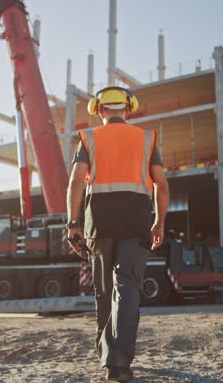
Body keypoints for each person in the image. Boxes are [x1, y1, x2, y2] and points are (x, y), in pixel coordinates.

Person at [66, 86, 169, 382]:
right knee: (127, 289)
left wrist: (72, 224)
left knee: (103, 291)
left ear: (99, 111)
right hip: (136, 222)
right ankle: (118, 364)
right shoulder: (146, 138)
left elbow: (75, 182)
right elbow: (161, 185)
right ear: (128, 109)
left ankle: (107, 355)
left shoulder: (89, 138)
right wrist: (159, 223)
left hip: (99, 223)